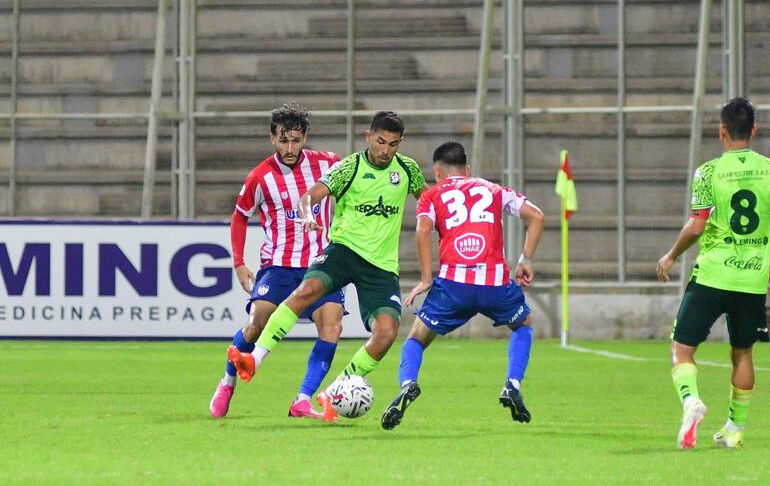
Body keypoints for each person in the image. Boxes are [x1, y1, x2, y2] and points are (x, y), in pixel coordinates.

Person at [227, 111, 427, 421]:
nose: (385, 150)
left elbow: (429, 204)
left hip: (382, 265)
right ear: (368, 136)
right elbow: (309, 197)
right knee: (306, 291)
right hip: (343, 250)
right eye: (381, 141)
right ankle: (254, 360)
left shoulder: (408, 170)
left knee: (387, 332)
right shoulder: (349, 166)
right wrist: (308, 215)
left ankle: (334, 391)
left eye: (393, 144)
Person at [380, 141, 545, 430]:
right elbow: (537, 217)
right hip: (494, 284)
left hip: (453, 286)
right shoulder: (494, 190)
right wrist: (525, 261)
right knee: (524, 324)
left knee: (417, 338)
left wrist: (426, 280)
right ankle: (513, 384)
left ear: (437, 172)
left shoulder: (430, 195)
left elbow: (422, 230)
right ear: (467, 170)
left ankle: (408, 384)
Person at [209, 102, 345, 420]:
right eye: (283, 141)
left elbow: (353, 192)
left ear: (305, 137)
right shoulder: (260, 177)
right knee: (257, 323)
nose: (289, 148)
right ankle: (227, 382)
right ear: (273, 139)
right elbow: (240, 217)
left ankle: (302, 399)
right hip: (279, 266)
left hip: (321, 265)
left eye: (296, 140)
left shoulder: (329, 164)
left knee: (332, 326)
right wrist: (240, 263)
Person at [657, 97, 770, 450]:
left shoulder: (707, 172)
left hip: (712, 275)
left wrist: (671, 255)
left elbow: (697, 226)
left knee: (682, 349)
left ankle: (691, 402)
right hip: (752, 279)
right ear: (754, 130)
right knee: (743, 352)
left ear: (721, 131)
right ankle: (735, 430)